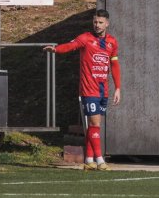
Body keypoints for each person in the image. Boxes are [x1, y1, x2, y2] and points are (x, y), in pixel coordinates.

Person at [44, 9, 121, 171]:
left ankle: (88, 159)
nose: (97, 25)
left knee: (94, 126)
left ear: (107, 23)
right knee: (95, 123)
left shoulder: (112, 42)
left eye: (100, 22)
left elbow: (114, 65)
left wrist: (118, 88)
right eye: (95, 22)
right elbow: (70, 46)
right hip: (88, 89)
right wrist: (56, 49)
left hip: (103, 90)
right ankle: (100, 161)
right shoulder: (85, 38)